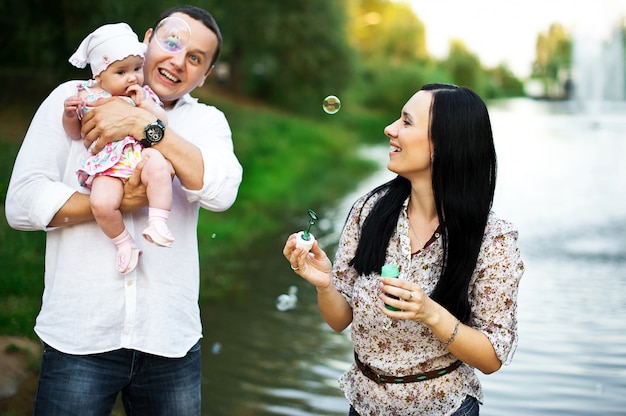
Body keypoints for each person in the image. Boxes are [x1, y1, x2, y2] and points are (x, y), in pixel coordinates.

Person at [5, 5, 242, 415]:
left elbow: (221, 191)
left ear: (204, 76)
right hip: (80, 333)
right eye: (173, 43)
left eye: (195, 58)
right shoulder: (74, 101)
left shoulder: (208, 122)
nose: (178, 61)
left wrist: (141, 125)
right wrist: (113, 204)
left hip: (170, 341)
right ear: (147, 40)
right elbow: (21, 203)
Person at [283, 83, 524, 416]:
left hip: (445, 409)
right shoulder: (369, 212)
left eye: (407, 122)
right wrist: (325, 284)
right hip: (363, 406)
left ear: (444, 144)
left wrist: (430, 312)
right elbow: (340, 320)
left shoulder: (493, 239)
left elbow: (491, 358)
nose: (390, 129)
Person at [63, 22, 175, 275]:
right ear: (99, 75)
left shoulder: (143, 95)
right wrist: (70, 116)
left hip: (139, 154)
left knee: (158, 167)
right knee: (101, 203)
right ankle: (124, 244)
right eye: (121, 72)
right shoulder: (86, 97)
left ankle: (158, 221)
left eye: (137, 68)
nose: (132, 77)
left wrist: (145, 105)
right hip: (108, 165)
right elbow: (75, 134)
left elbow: (163, 123)